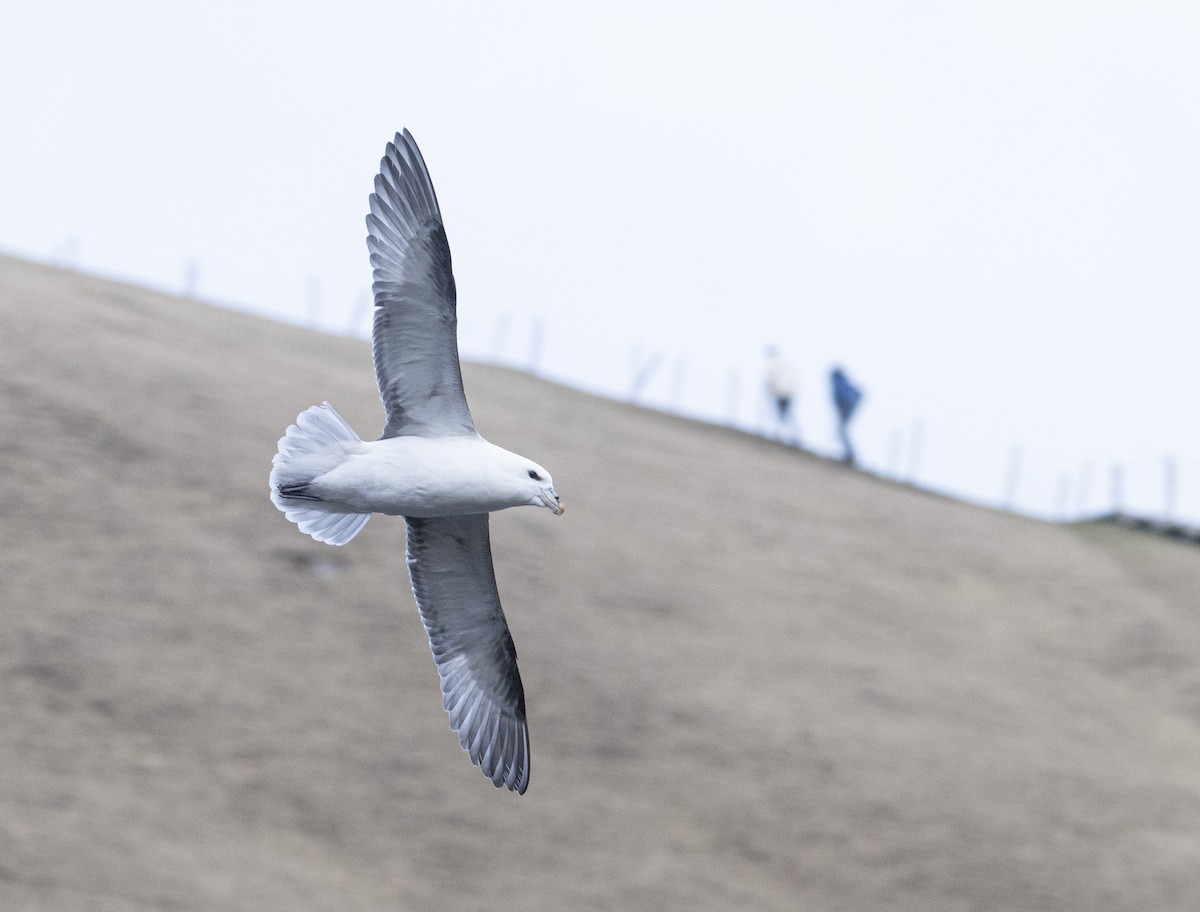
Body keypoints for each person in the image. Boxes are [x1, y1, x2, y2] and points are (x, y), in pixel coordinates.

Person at [764, 347, 800, 444]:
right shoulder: (787, 363)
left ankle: (781, 435)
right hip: (788, 392)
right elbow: (793, 378)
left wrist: (769, 391)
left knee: (781, 415)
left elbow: (771, 379)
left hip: (780, 392)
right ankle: (794, 435)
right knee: (788, 414)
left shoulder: (773, 364)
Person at [829, 366, 863, 465]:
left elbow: (841, 398)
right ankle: (849, 453)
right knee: (842, 431)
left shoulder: (838, 383)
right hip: (848, 409)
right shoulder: (845, 382)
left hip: (845, 409)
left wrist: (845, 408)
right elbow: (859, 394)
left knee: (841, 431)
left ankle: (850, 453)